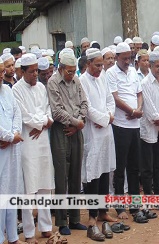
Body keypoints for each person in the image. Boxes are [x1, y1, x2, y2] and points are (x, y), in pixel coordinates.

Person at [13, 53, 54, 244]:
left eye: (37, 71)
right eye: (31, 72)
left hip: (42, 139)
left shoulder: (41, 88)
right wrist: (41, 123)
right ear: (22, 72)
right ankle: (29, 233)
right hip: (28, 142)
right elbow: (24, 116)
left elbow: (48, 111)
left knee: (45, 184)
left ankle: (45, 227)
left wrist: (43, 123)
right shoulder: (16, 90)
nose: (35, 74)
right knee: (29, 188)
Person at [47, 50, 88, 235]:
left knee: (75, 175)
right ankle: (62, 221)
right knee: (62, 177)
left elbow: (85, 104)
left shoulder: (76, 81)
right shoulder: (53, 82)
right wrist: (75, 122)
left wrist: (79, 124)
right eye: (69, 71)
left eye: (73, 71)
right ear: (61, 68)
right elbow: (56, 111)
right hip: (61, 130)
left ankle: (75, 219)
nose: (72, 74)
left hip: (76, 130)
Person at [106, 42, 148, 223]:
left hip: (135, 125)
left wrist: (138, 109)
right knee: (120, 168)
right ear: (116, 58)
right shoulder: (110, 73)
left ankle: (135, 205)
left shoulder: (132, 71)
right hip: (121, 125)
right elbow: (115, 98)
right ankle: (120, 206)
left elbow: (139, 93)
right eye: (123, 59)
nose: (127, 62)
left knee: (134, 167)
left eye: (129, 58)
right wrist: (131, 111)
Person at [79, 48, 117, 241]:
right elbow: (87, 109)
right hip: (92, 134)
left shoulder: (103, 77)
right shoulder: (82, 81)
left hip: (106, 132)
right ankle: (93, 216)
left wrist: (110, 116)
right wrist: (104, 118)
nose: (101, 68)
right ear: (88, 64)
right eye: (97, 65)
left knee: (104, 174)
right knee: (93, 176)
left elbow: (110, 99)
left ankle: (103, 212)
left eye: (102, 65)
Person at [139, 50, 159, 197]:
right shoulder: (145, 83)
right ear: (150, 66)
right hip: (149, 131)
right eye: (157, 66)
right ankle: (148, 195)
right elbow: (149, 107)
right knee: (147, 167)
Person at [0, 57, 24, 244]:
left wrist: (14, 134)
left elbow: (17, 113)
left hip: (12, 149)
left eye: (2, 72)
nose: (1, 76)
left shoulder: (7, 91)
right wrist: (8, 137)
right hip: (2, 149)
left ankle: (13, 237)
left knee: (10, 193)